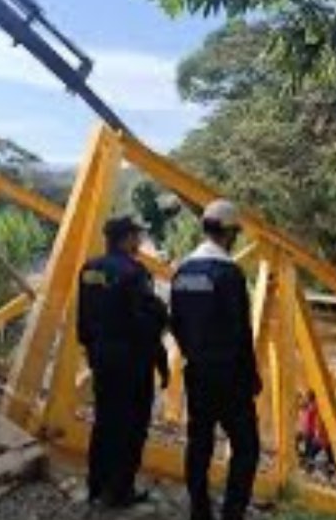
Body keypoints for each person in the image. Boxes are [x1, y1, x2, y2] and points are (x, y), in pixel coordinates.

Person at [171, 199, 260, 520]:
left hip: (197, 373)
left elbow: (176, 323)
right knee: (247, 448)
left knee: (199, 443)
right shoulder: (229, 275)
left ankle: (200, 511)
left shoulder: (181, 272)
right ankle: (232, 513)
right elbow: (241, 331)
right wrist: (252, 377)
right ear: (229, 233)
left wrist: (195, 354)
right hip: (230, 378)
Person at [78, 216, 169, 508]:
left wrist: (92, 351)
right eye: (137, 236)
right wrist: (161, 357)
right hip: (131, 363)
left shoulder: (90, 269)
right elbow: (144, 324)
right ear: (127, 239)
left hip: (103, 359)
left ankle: (96, 486)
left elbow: (84, 320)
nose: (140, 242)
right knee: (131, 427)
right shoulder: (134, 272)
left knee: (105, 422)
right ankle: (120, 491)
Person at [297, 390, 336, 476]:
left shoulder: (315, 408)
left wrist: (317, 433)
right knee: (323, 454)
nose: (306, 399)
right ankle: (329, 469)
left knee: (311, 453)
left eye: (307, 397)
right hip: (314, 434)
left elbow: (317, 423)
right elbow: (302, 407)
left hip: (315, 435)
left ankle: (310, 468)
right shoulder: (310, 407)